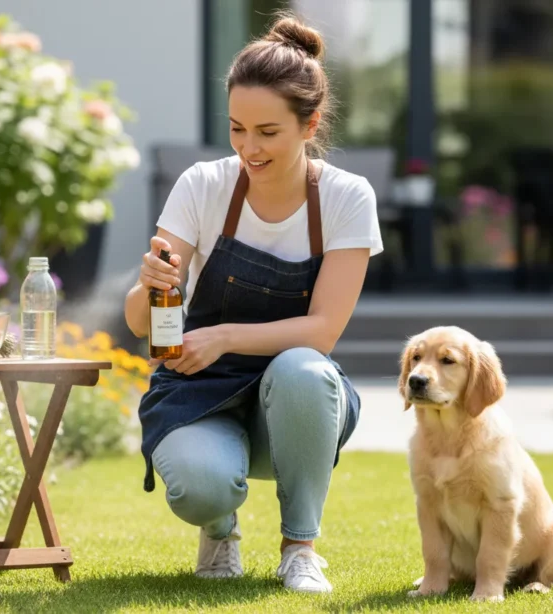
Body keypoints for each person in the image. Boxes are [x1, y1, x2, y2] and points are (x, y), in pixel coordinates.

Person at [125, 12, 383, 594]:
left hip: (294, 407)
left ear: (310, 123)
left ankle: (300, 548)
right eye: (238, 129)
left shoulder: (345, 198)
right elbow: (141, 321)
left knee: (302, 368)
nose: (249, 147)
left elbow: (321, 333)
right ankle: (219, 528)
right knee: (199, 486)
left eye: (268, 132)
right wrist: (146, 286)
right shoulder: (203, 185)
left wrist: (224, 336)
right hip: (198, 388)